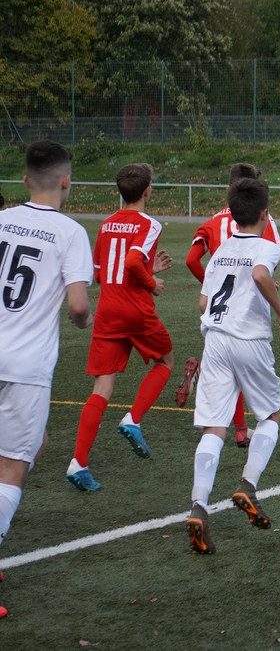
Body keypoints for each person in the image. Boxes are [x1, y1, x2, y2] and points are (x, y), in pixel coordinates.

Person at [0, 141, 93, 618]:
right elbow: (77, 305)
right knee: (15, 465)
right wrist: (82, 320)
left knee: (29, 448)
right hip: (25, 365)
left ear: (24, 180)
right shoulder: (70, 232)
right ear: (65, 181)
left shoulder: (1, 218)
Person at [185, 177, 280, 555]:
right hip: (248, 340)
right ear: (264, 214)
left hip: (215, 340)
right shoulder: (267, 246)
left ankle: (199, 507)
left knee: (214, 427)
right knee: (270, 415)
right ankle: (247, 486)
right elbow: (260, 275)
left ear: (231, 215)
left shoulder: (221, 251)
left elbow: (204, 303)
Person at [66, 163, 175, 491]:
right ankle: (133, 418)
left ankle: (79, 462)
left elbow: (101, 273)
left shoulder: (106, 224)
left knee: (102, 387)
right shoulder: (150, 224)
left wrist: (147, 269)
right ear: (147, 191)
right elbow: (131, 262)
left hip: (108, 311)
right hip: (135, 310)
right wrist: (152, 282)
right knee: (166, 360)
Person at [183, 163, 280, 447]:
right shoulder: (264, 219)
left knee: (223, 366)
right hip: (247, 314)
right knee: (254, 384)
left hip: (216, 311)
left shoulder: (213, 221)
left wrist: (213, 287)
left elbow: (191, 260)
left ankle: (238, 428)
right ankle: (245, 437)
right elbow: (265, 265)